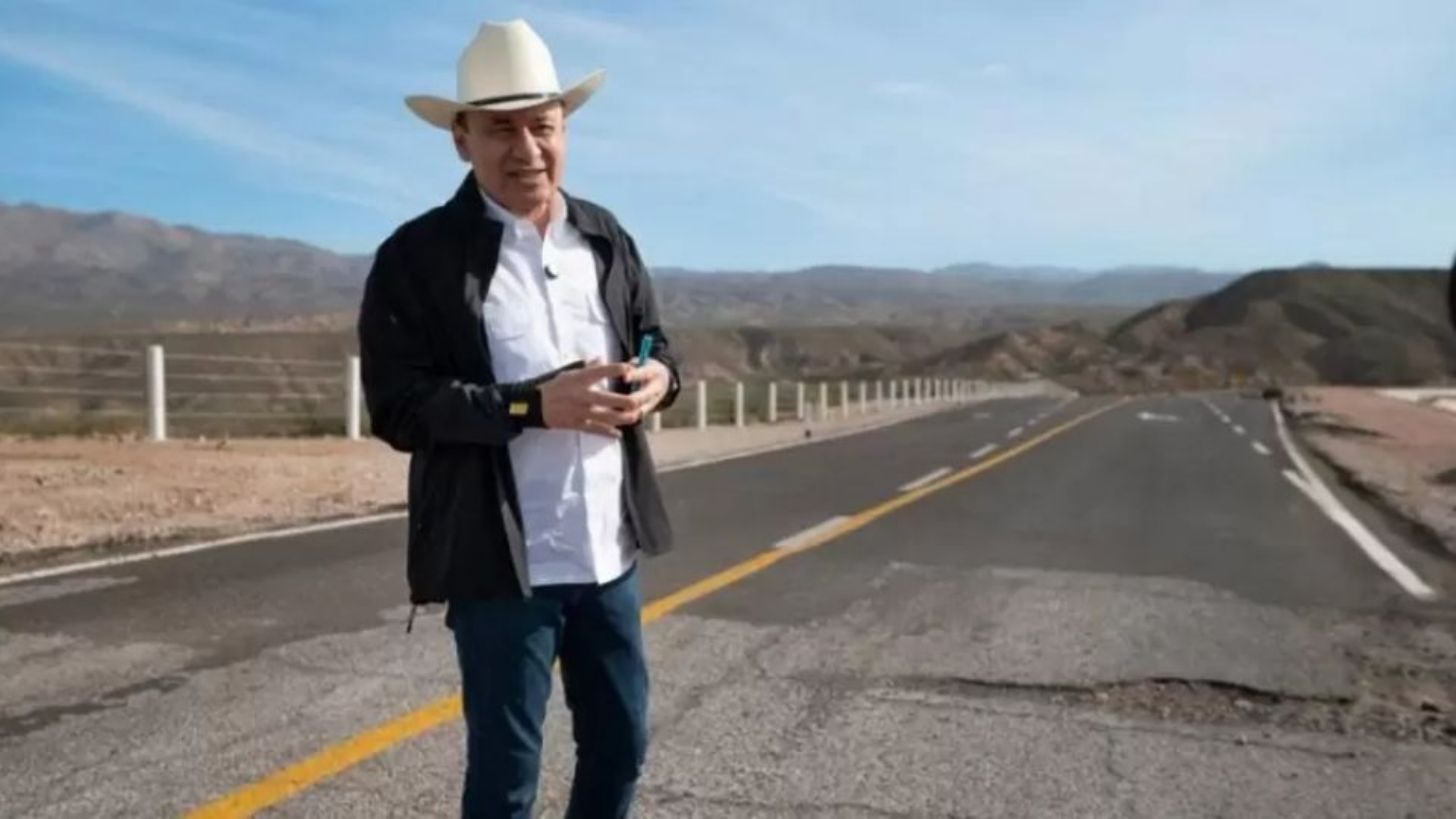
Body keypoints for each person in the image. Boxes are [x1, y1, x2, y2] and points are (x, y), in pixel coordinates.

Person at [356, 19, 681, 818]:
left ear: (565, 128)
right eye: (502, 129)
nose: (527, 148)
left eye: (543, 125)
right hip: (501, 568)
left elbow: (656, 339)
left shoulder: (605, 238)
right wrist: (531, 404)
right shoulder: (416, 257)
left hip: (607, 555)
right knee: (506, 780)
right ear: (461, 139)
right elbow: (398, 406)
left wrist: (661, 378)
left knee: (622, 746)